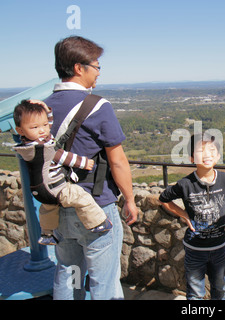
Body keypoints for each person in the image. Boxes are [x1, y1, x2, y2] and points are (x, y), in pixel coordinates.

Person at [44, 36, 138, 300]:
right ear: (78, 68)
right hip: (96, 209)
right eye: (96, 66)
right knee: (104, 282)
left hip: (59, 207)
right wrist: (129, 199)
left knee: (68, 274)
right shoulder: (97, 106)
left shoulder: (41, 108)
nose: (98, 73)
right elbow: (117, 160)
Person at [13, 99, 111, 246]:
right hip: (56, 188)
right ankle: (97, 223)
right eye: (35, 127)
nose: (42, 130)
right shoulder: (42, 148)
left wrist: (46, 110)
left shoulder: (29, 143)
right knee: (82, 197)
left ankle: (47, 234)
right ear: (20, 130)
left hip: (39, 190)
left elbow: (47, 126)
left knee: (48, 209)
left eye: (44, 125)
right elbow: (62, 156)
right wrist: (84, 163)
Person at [158, 133, 225, 300]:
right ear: (192, 158)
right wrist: (183, 214)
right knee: (195, 292)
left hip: (219, 247)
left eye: (212, 150)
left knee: (219, 288)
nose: (207, 155)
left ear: (218, 156)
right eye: (201, 151)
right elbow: (164, 199)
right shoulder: (185, 184)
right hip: (195, 248)